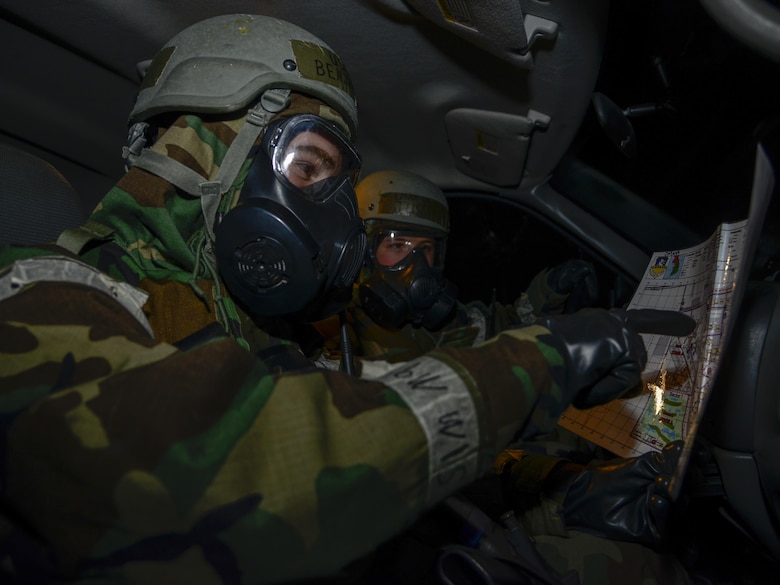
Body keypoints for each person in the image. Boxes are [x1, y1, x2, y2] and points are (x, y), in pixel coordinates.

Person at [0, 13, 694, 585]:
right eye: (307, 167)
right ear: (202, 151)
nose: (334, 223)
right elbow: (235, 475)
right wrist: (543, 360)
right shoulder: (38, 297)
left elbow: (365, 409)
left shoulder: (247, 331)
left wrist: (558, 496)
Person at [316, 170, 695, 584]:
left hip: (489, 477)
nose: (415, 268)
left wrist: (547, 290)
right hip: (431, 522)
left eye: (425, 250)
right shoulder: (339, 344)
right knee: (642, 570)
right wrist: (564, 496)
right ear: (360, 251)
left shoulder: (428, 322)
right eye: (397, 246)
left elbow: (497, 326)